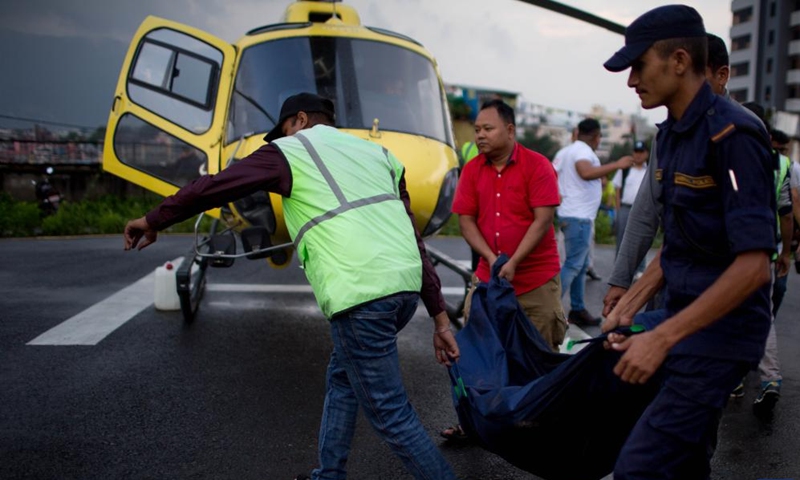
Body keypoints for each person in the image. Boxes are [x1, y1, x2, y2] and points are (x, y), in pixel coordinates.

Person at [122, 93, 460, 480]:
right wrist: (439, 320)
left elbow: (214, 187)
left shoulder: (290, 150)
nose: (281, 139)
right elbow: (415, 240)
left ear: (299, 120)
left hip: (361, 296)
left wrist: (154, 220)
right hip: (401, 293)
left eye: (282, 130)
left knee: (391, 414)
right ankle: (328, 475)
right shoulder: (379, 155)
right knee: (343, 378)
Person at [602, 6, 776, 478]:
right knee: (684, 460)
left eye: (639, 65)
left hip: (722, 335)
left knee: (636, 468)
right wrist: (631, 304)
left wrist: (660, 338)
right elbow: (680, 247)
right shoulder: (673, 134)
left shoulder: (733, 135)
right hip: (684, 316)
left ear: (679, 61)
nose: (631, 80)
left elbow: (755, 266)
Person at [442, 99, 566, 441]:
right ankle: (473, 425)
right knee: (476, 354)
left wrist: (513, 262)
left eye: (488, 129)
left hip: (536, 278)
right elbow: (465, 220)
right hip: (488, 277)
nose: (480, 135)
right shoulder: (473, 168)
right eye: (478, 129)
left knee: (539, 352)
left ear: (510, 130)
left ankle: (540, 424)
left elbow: (543, 221)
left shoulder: (537, 165)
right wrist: (493, 259)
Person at [603, 32, 733, 316]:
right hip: (670, 293)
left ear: (721, 75)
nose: (633, 82)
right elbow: (646, 212)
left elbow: (749, 257)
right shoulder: (667, 137)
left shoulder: (739, 135)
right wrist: (621, 280)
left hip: (718, 304)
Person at [556, 118, 632, 327]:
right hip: (578, 217)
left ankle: (578, 309)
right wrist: (617, 164)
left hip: (574, 215)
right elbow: (586, 172)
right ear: (597, 137)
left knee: (579, 266)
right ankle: (550, 308)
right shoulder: (582, 152)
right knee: (573, 265)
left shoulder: (567, 151)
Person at [612, 140, 649, 275]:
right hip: (625, 208)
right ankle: (619, 272)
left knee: (641, 240)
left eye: (641, 152)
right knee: (622, 240)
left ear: (646, 153)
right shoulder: (625, 169)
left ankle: (639, 271)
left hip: (643, 210)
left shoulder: (649, 170)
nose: (638, 155)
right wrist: (618, 210)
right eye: (636, 152)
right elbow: (617, 189)